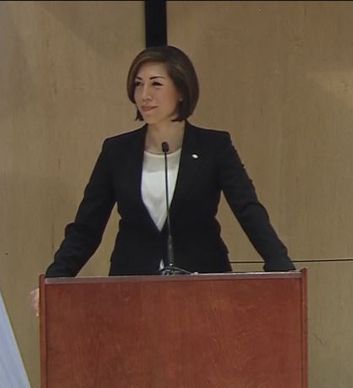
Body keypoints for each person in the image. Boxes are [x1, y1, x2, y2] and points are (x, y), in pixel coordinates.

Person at [43, 45, 294, 279]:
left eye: (156, 85)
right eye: (138, 85)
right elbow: (86, 228)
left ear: (182, 90)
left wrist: (282, 270)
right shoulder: (116, 151)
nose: (144, 95)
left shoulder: (214, 147)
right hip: (132, 285)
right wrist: (54, 280)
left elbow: (248, 211)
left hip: (201, 282)